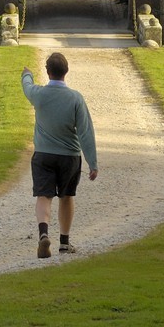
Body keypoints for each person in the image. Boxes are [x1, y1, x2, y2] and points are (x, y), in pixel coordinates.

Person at [21, 52, 98, 258]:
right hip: (69, 156)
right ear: (66, 71)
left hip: (44, 154)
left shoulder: (39, 94)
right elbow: (85, 132)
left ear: (47, 72)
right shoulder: (75, 98)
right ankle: (64, 242)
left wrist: (26, 74)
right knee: (66, 196)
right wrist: (93, 162)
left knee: (43, 196)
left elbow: (27, 87)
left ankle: (44, 233)